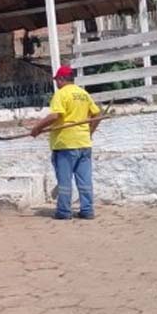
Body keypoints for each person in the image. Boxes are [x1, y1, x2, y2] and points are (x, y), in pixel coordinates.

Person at [28, 66, 101, 220]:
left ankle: (64, 212)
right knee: (85, 180)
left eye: (57, 80)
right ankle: (87, 210)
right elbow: (97, 115)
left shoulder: (61, 94)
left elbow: (55, 116)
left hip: (65, 144)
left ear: (61, 79)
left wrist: (37, 128)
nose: (56, 83)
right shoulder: (83, 94)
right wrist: (89, 132)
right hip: (84, 143)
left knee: (64, 180)